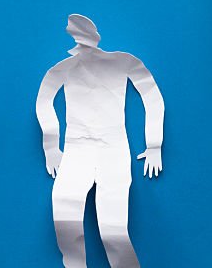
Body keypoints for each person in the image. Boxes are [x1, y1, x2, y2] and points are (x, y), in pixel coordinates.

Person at [36, 14, 164, 268]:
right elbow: (43, 100)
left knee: (113, 229)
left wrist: (154, 144)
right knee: (65, 217)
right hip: (78, 148)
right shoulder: (65, 68)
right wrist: (50, 145)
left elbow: (152, 95)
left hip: (111, 148)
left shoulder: (121, 61)